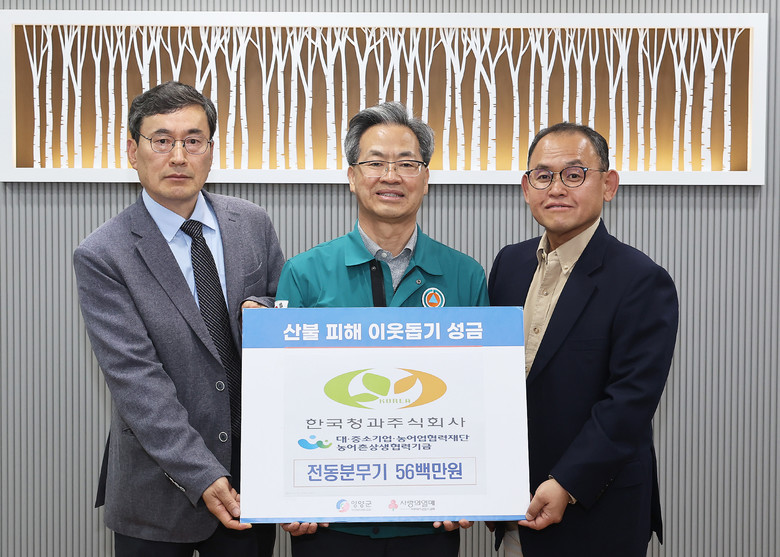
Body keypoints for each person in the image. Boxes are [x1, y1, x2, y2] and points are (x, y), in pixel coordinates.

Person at [268, 102, 488, 557]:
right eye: (375, 163)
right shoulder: (304, 273)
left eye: (407, 164)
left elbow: (482, 396)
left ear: (425, 178)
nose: (392, 176)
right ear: (352, 176)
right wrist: (283, 491)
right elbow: (280, 396)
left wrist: (475, 486)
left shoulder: (465, 275)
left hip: (430, 522)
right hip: (328, 522)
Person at [73, 81, 283, 557]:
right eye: (161, 140)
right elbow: (135, 379)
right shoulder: (103, 254)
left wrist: (265, 310)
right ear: (133, 151)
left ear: (211, 150)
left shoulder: (251, 223)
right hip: (155, 489)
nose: (178, 156)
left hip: (251, 478)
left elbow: (284, 307)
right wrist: (202, 472)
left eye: (193, 140)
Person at [488, 122, 678, 557]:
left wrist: (566, 482)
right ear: (526, 188)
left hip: (596, 510)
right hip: (516, 506)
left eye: (574, 174)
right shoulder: (509, 264)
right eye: (543, 175)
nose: (557, 188)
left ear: (608, 185)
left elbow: (629, 401)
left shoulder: (641, 280)